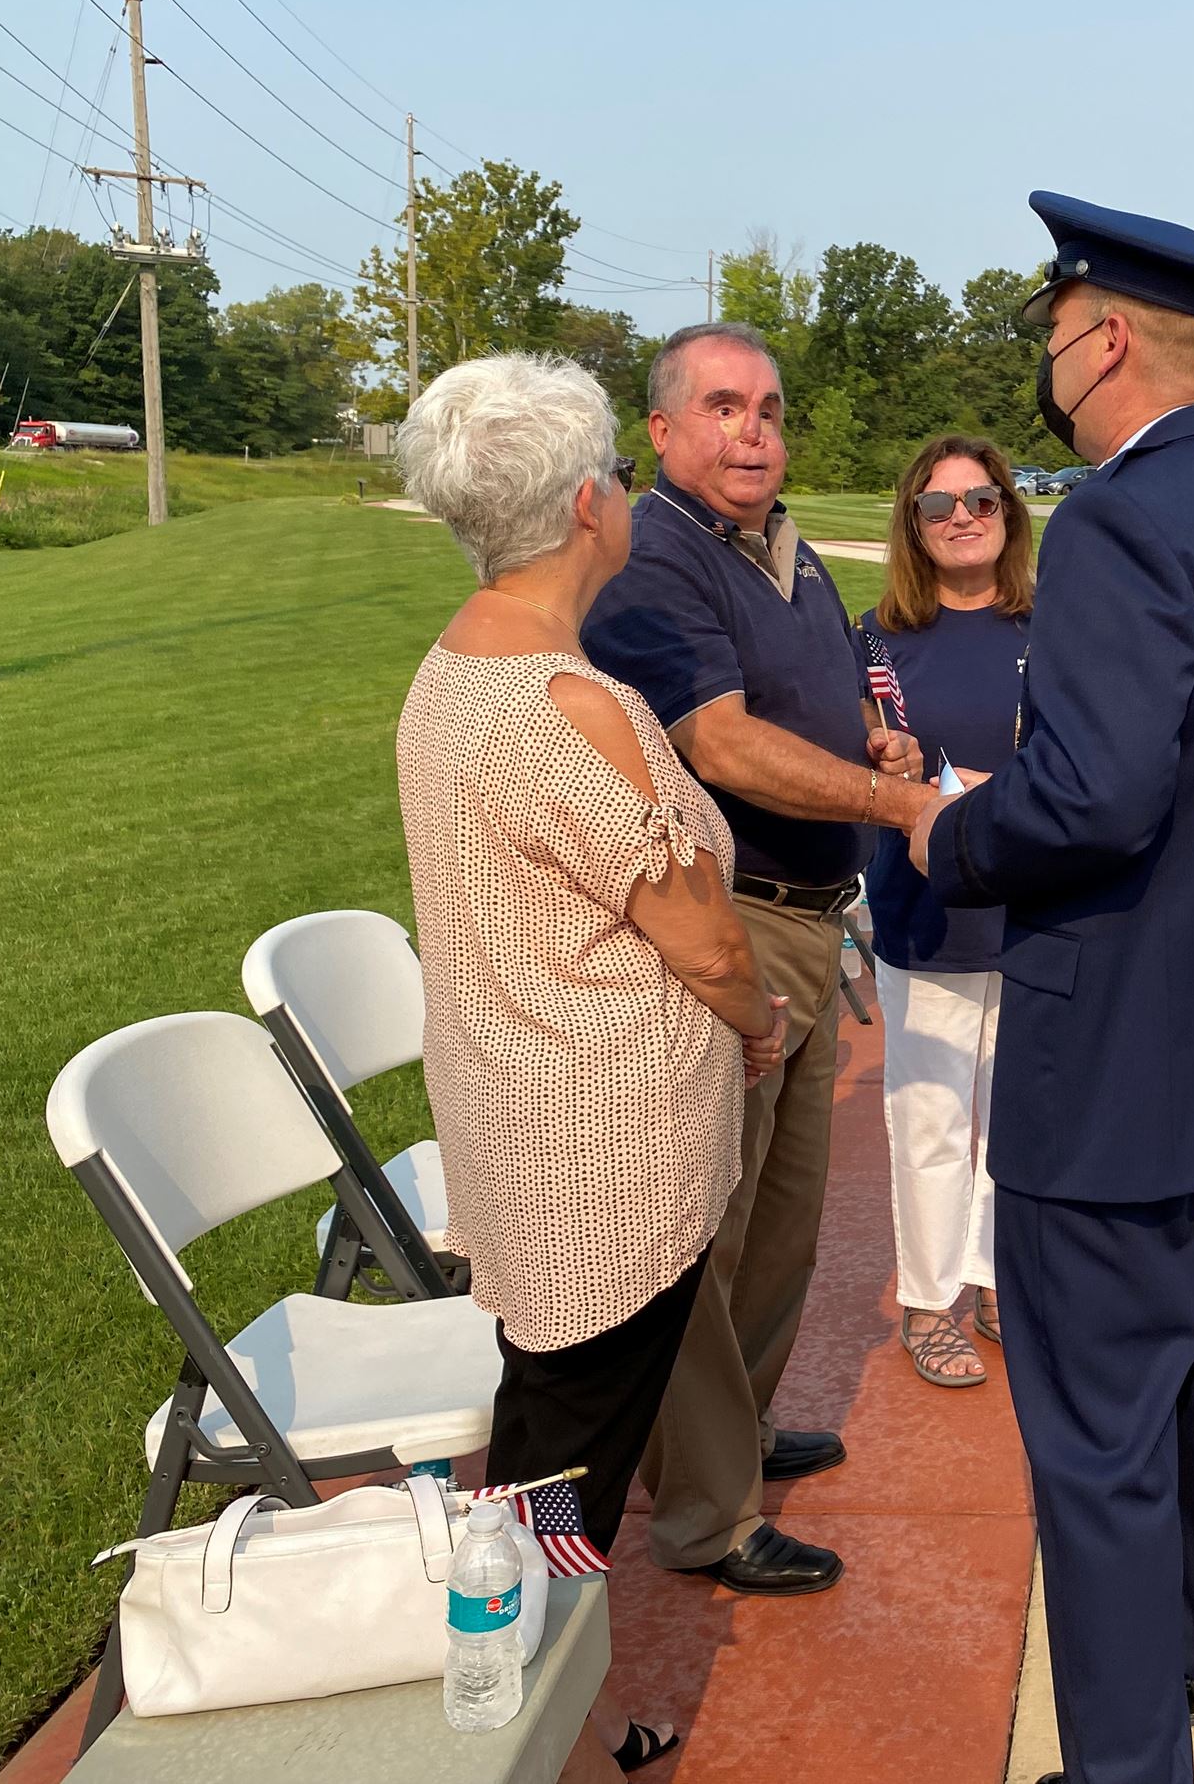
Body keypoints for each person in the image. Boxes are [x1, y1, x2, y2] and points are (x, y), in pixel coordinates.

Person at [908, 192, 1194, 1784]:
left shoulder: (1117, 521)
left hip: (1113, 1055)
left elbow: (1095, 795)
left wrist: (952, 829)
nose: (1048, 362)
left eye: (1053, 332)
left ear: (1103, 340)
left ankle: (1124, 1765)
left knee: (1100, 1428)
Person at [394, 353, 787, 1772]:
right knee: (564, 1474)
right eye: (616, 473)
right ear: (584, 506)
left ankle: (538, 1690)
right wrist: (758, 1020)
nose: (622, 494)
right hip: (598, 1156)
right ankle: (526, 1712)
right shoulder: (567, 706)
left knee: (548, 1431)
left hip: (520, 1118)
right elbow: (703, 937)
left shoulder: (454, 665)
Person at [582, 322, 942, 1596]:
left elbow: (827, 699)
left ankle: (731, 1431)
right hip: (726, 923)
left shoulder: (787, 552)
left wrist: (874, 746)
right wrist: (898, 801)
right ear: (662, 431)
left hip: (811, 912)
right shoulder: (654, 556)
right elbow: (720, 743)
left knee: (784, 1222)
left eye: (771, 410)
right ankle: (705, 1511)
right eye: (723, 407)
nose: (754, 432)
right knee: (711, 1227)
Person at [855, 435, 1034, 1388]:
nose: (963, 517)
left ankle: (999, 1282)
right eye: (938, 505)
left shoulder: (1054, 626)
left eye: (982, 499)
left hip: (1035, 905)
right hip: (926, 906)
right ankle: (929, 1302)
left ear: (1009, 511)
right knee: (930, 1116)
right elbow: (852, 760)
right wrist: (878, 759)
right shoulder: (876, 640)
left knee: (1017, 1117)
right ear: (913, 525)